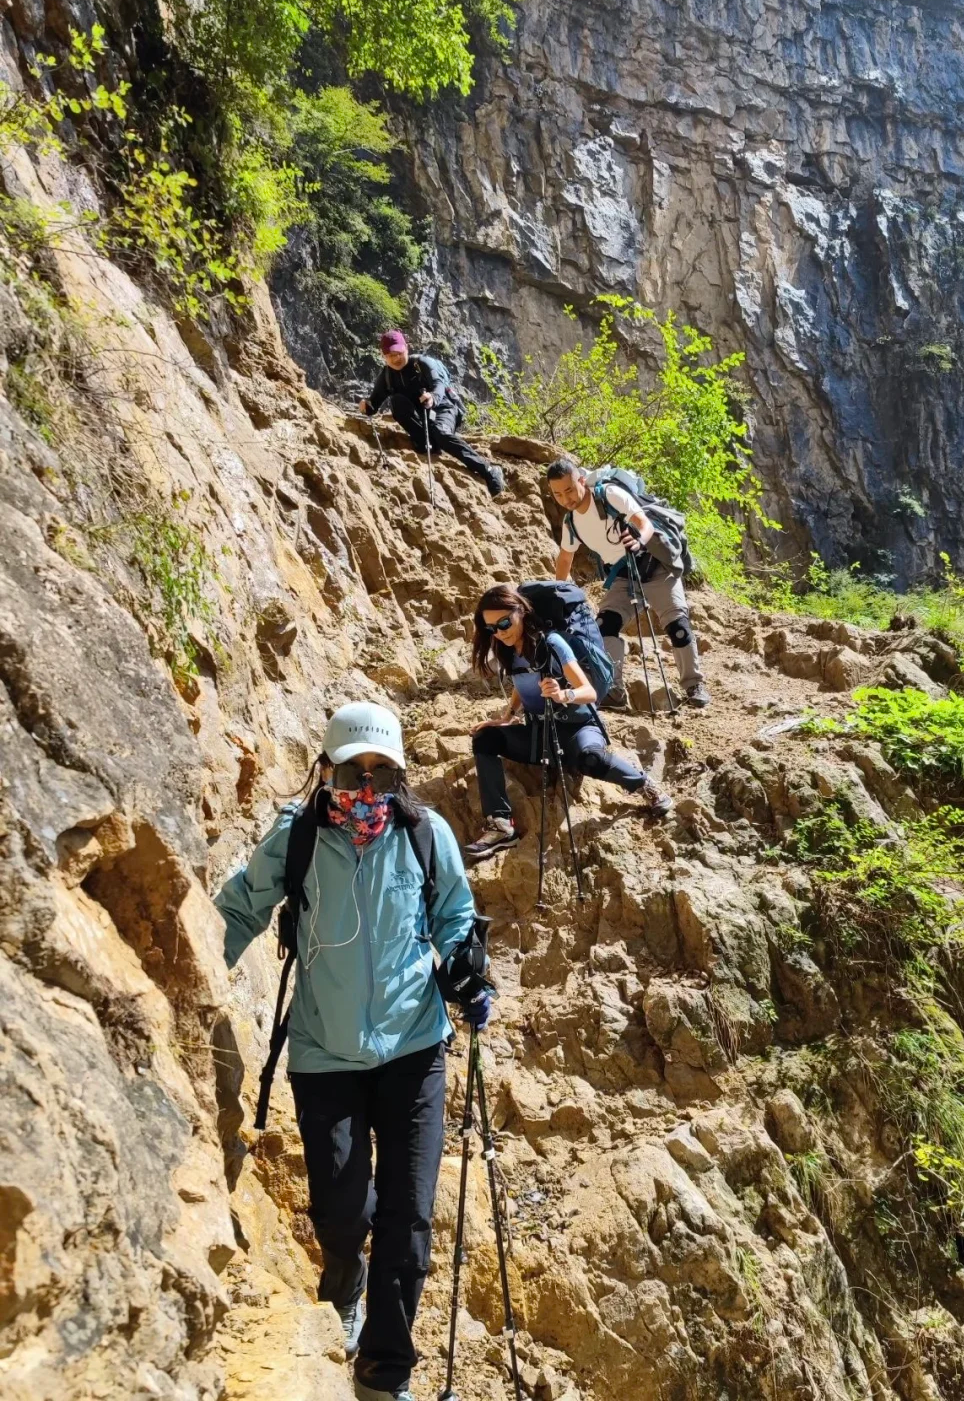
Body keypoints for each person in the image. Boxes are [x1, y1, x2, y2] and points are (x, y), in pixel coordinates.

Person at [215, 702, 491, 1401]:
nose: (366, 787)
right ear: (327, 769)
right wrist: (193, 975)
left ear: (400, 775)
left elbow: (454, 914)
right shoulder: (299, 836)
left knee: (409, 1219)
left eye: (382, 773)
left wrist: (467, 968)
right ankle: (345, 1281)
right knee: (343, 1210)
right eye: (352, 771)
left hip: (414, 1048)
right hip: (324, 1052)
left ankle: (382, 1374)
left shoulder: (424, 833)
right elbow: (244, 905)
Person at [466, 584, 672, 858]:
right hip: (540, 734)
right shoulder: (507, 649)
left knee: (590, 758)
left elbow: (588, 692)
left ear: (521, 612)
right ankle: (500, 825)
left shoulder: (552, 643)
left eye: (504, 623)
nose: (499, 632)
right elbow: (522, 682)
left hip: (578, 727)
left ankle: (643, 784)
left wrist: (564, 694)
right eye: (491, 628)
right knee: (485, 739)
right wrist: (508, 716)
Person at [547, 458, 711, 709]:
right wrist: (558, 593)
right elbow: (565, 557)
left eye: (569, 490)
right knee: (604, 626)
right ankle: (613, 691)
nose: (565, 498)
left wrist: (638, 541)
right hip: (623, 574)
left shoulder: (609, 495)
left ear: (580, 480)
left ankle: (693, 685)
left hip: (654, 564)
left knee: (677, 625)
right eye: (558, 494)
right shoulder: (571, 522)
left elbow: (644, 524)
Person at [358, 330, 505, 497]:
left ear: (407, 348)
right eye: (391, 355)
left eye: (399, 353)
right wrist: (366, 406)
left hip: (443, 408)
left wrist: (433, 397)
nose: (396, 358)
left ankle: (489, 470)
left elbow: (438, 384)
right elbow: (373, 404)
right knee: (396, 401)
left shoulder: (422, 364)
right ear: (383, 355)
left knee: (440, 432)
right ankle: (426, 442)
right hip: (422, 417)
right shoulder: (386, 376)